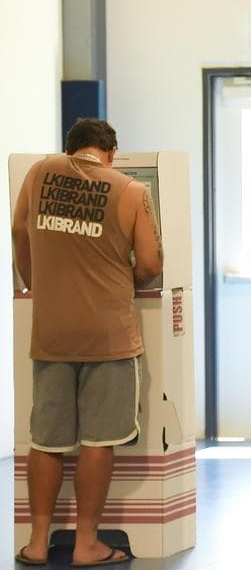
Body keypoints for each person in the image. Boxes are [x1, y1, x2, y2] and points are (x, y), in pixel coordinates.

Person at [11, 119, 163, 568]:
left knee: (46, 440)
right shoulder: (131, 190)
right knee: (99, 440)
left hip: (51, 334)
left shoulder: (39, 173)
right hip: (108, 336)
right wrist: (127, 279)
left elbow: (19, 230)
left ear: (70, 149)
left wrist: (34, 281)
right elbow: (150, 263)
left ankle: (37, 543)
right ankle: (86, 544)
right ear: (111, 152)